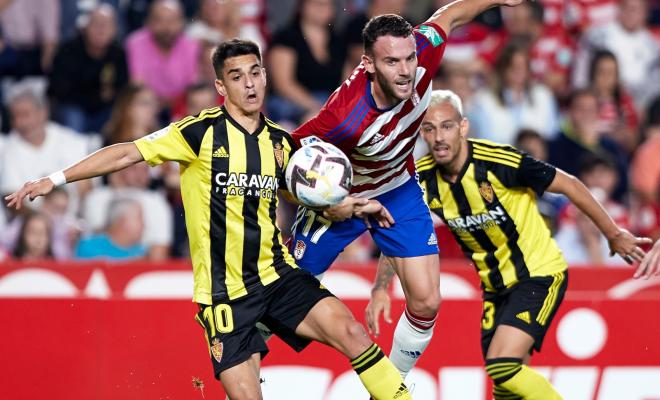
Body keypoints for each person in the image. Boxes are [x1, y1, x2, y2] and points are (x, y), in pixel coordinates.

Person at [5, 38, 410, 400]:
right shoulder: (199, 133)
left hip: (276, 276)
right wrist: (53, 178)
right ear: (222, 87)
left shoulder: (282, 144)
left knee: (352, 333)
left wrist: (353, 205)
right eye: (237, 76)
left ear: (266, 76)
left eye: (255, 73)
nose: (249, 84)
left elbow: (308, 199)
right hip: (224, 297)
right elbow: (128, 151)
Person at [289, 0, 525, 381]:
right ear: (368, 64)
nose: (404, 73)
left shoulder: (422, 52)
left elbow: (450, 15)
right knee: (278, 299)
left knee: (427, 301)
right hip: (346, 199)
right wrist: (327, 202)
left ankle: (389, 388)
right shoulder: (343, 117)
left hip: (398, 187)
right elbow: (288, 163)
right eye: (391, 63)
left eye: (409, 59)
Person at [365, 89, 652, 399]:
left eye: (446, 126)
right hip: (495, 288)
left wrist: (613, 233)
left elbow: (569, 184)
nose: (438, 137)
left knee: (501, 365)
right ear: (422, 132)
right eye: (430, 128)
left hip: (538, 273)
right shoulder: (421, 179)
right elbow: (399, 236)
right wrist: (381, 287)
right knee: (506, 388)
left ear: (463, 127)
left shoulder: (498, 162)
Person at [47, 4, 129, 134]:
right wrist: (98, 95)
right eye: (96, 24)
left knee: (122, 115)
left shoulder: (118, 53)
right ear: (85, 27)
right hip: (74, 106)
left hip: (104, 109)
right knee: (73, 117)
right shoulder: (68, 50)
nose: (101, 30)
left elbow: (122, 88)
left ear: (115, 29)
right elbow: (59, 89)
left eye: (106, 25)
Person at [76, 197, 147, 261]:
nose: (144, 225)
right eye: (139, 218)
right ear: (121, 221)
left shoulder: (144, 252)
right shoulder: (89, 247)